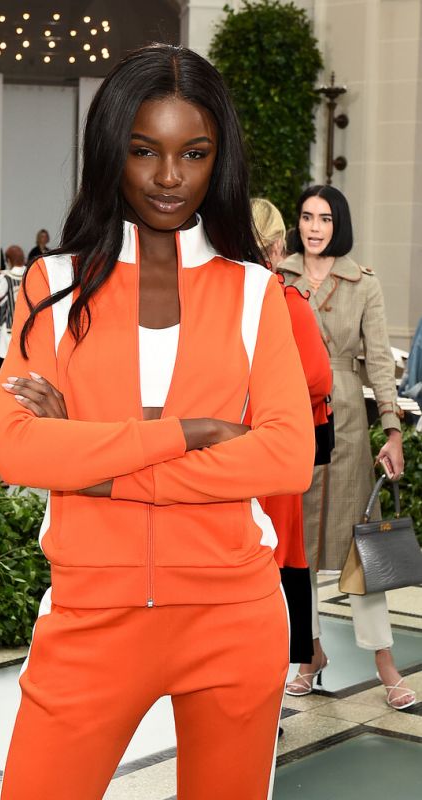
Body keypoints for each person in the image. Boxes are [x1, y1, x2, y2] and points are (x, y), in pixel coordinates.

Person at [0, 44, 315, 800]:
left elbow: (285, 460)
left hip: (233, 617)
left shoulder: (254, 295)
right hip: (90, 617)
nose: (169, 177)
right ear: (113, 151)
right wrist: (191, 433)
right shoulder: (54, 285)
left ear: (217, 158)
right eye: (144, 151)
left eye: (192, 153)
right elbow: (17, 448)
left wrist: (92, 465)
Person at [278, 185, 415, 710]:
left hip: (350, 425)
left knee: (364, 544)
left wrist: (393, 431)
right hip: (292, 418)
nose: (314, 227)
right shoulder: (276, 277)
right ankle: (308, 654)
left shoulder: (364, 284)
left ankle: (385, 661)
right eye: (307, 217)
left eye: (326, 219)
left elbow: (379, 363)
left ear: (341, 225)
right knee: (299, 547)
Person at [252, 198, 332, 665]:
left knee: (260, 557)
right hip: (267, 447)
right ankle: (269, 680)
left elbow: (318, 378)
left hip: (246, 447)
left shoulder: (218, 295)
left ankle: (264, 680)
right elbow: (318, 378)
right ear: (281, 245)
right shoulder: (282, 299)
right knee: (273, 556)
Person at [0, 245, 26, 362]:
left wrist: (1, 278)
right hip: (27, 327)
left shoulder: (7, 278)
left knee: (6, 364)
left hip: (9, 328)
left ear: (9, 261)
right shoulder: (29, 274)